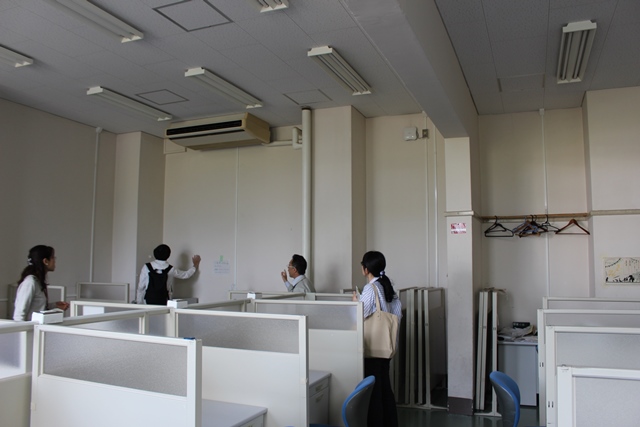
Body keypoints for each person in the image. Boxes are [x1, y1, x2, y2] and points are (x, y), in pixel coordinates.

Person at [353, 250, 402, 427]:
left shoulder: (370, 288)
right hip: (386, 347)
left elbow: (360, 314)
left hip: (373, 348)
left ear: (366, 269)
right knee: (385, 389)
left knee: (374, 393)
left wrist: (355, 303)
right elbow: (397, 314)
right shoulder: (387, 287)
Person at [13, 245, 70, 321]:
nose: (54, 260)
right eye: (53, 258)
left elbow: (37, 308)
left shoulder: (37, 281)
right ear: (45, 261)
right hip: (30, 327)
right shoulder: (30, 282)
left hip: (38, 327)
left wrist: (54, 305)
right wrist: (23, 328)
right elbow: (19, 314)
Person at [136, 244, 201, 305]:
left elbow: (141, 287)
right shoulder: (170, 269)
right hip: (164, 300)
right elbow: (186, 275)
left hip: (147, 301)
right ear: (168, 255)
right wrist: (195, 265)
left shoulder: (146, 267)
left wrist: (139, 303)